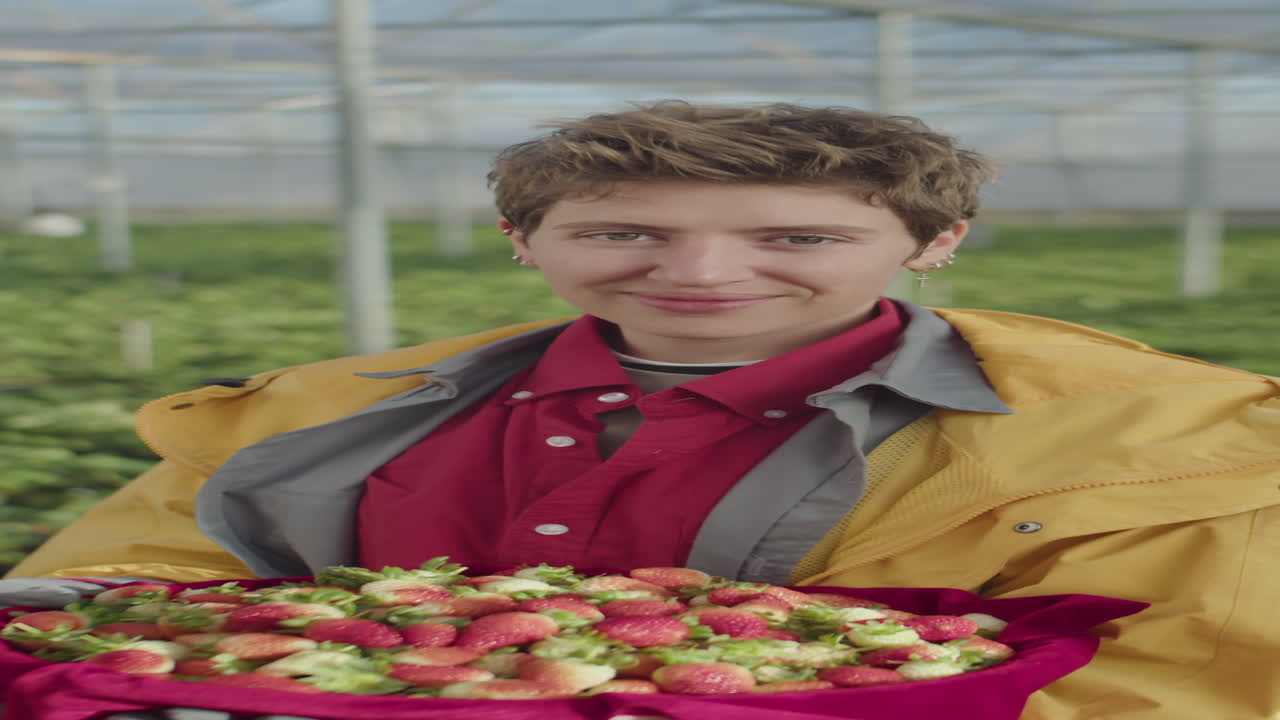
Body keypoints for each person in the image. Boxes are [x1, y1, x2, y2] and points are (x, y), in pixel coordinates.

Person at [3, 101, 1278, 719]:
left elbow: (1186, 680)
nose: (700, 275)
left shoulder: (1158, 440)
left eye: (796, 236)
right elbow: (128, 577)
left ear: (931, 243)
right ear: (522, 242)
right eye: (621, 230)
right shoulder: (325, 410)